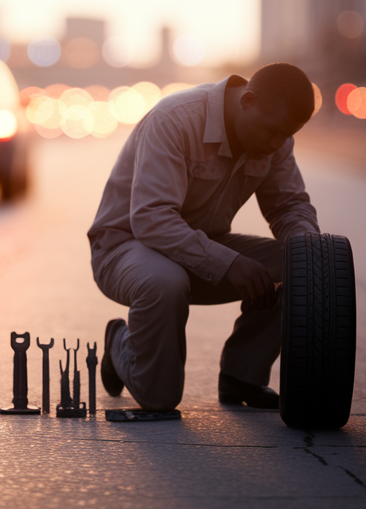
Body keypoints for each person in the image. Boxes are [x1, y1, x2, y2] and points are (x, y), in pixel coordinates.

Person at [88, 63, 319, 411]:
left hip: (197, 253)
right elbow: (151, 219)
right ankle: (120, 341)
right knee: (160, 394)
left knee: (298, 264)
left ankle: (242, 376)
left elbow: (289, 206)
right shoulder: (175, 120)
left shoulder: (276, 139)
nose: (275, 144)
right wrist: (228, 263)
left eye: (285, 136)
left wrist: (310, 251)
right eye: (271, 132)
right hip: (125, 247)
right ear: (248, 100)